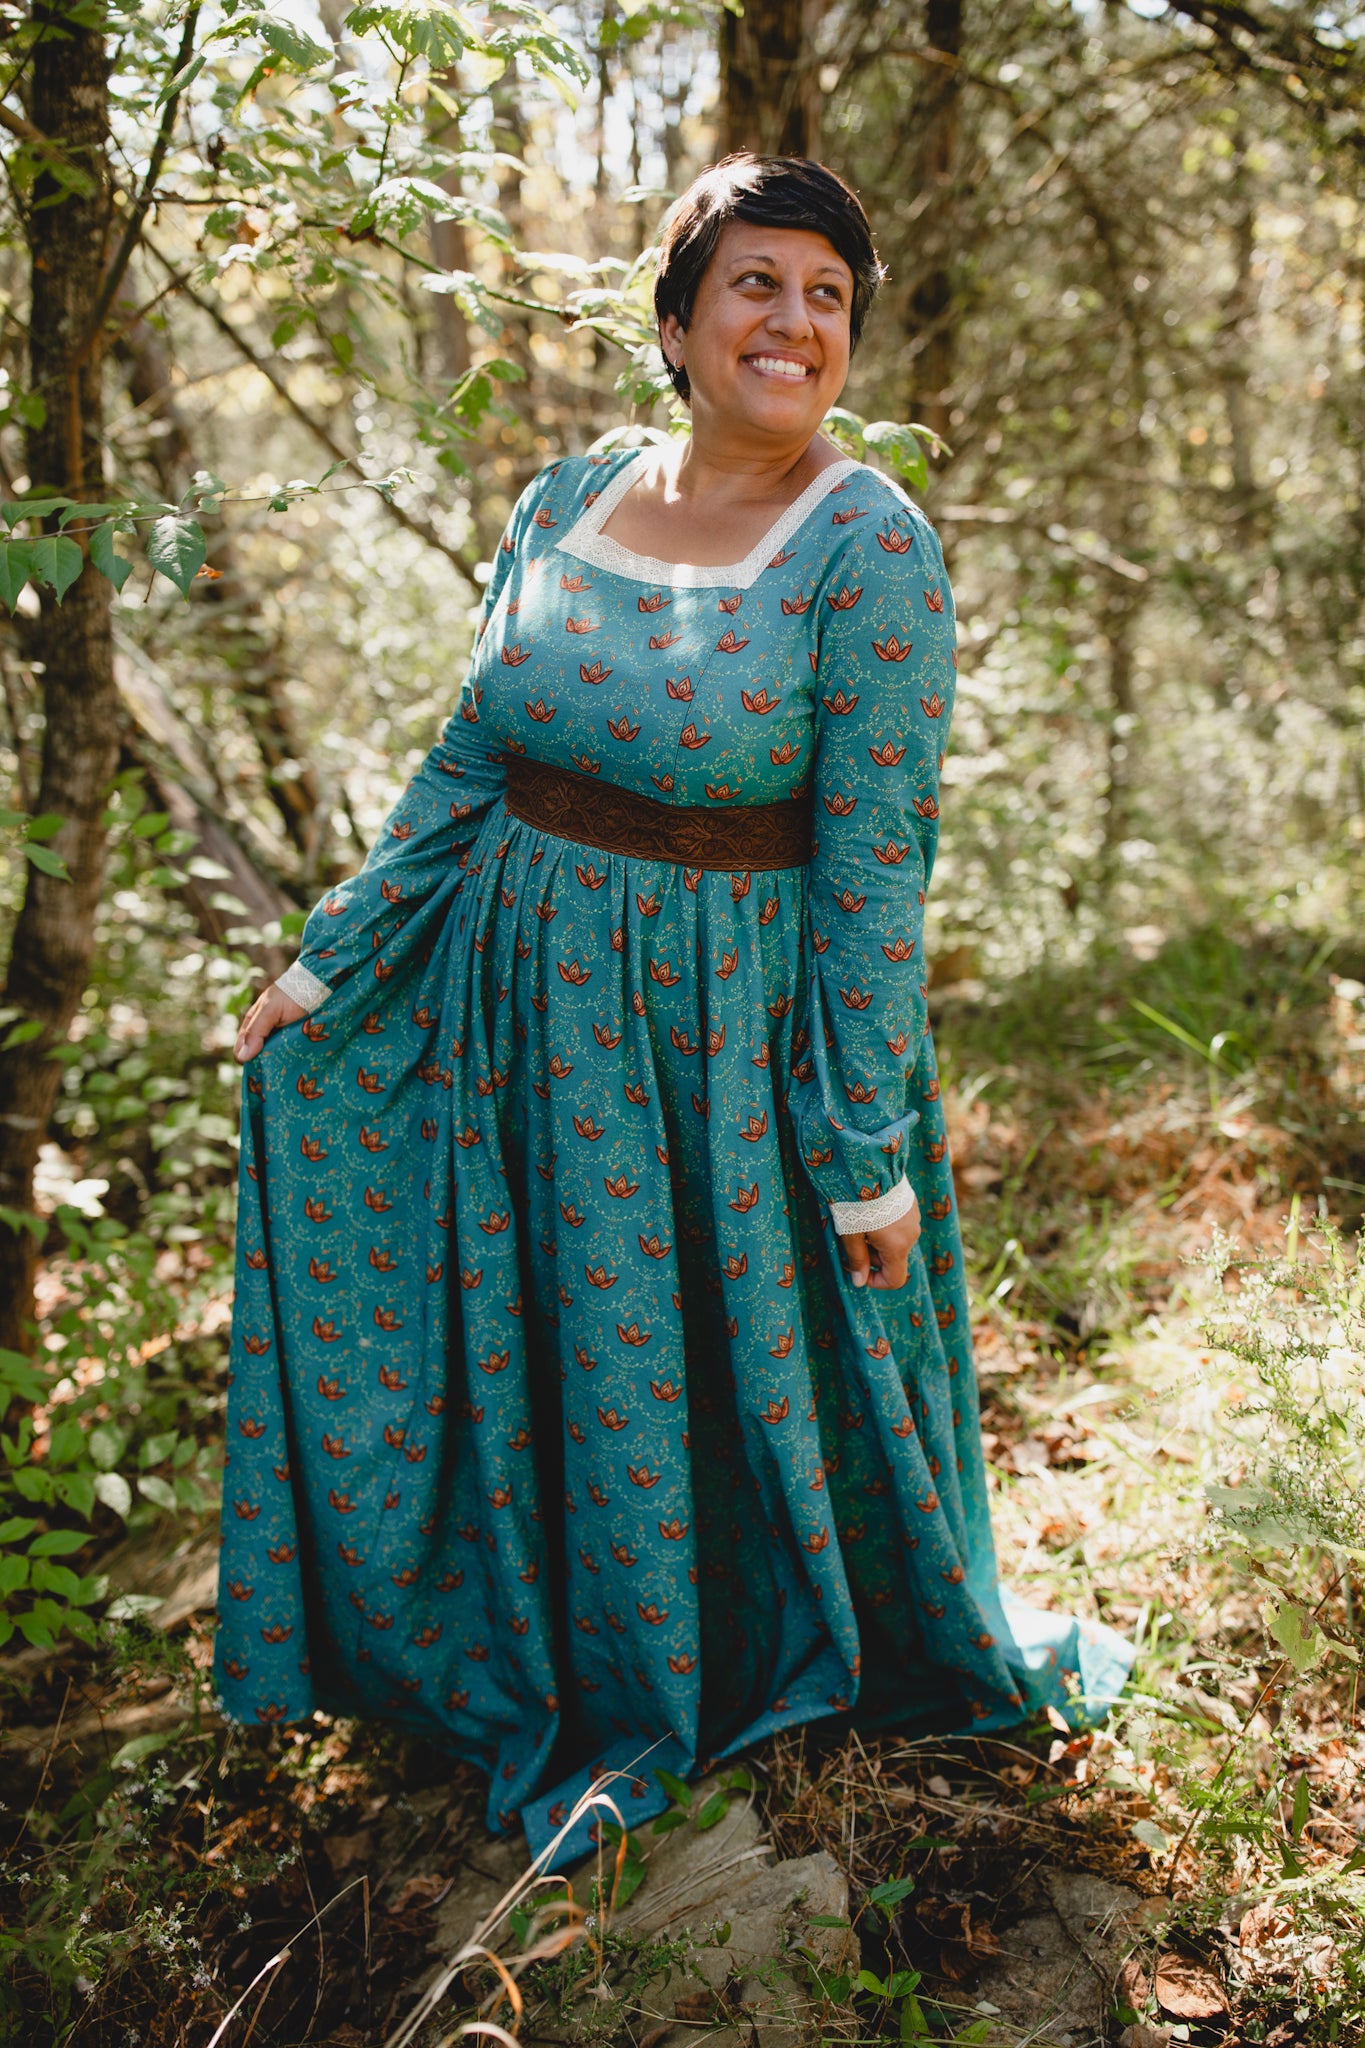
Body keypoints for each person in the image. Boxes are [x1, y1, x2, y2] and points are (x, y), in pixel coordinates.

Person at [221, 153, 1130, 1860]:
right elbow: (473, 753)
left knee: (701, 1363)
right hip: (515, 1006)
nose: (794, 322)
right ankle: (542, 1652)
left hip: (720, 1042)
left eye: (828, 296)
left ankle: (680, 1690)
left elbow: (874, 875)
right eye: (756, 283)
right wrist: (332, 952)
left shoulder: (870, 548)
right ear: (678, 317)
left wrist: (861, 1143)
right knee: (554, 1339)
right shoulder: (565, 492)